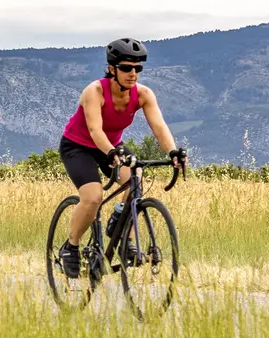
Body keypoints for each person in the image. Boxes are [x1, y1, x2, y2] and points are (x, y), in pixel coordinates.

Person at [55, 38, 186, 277]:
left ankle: (125, 233)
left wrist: (173, 152)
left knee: (135, 179)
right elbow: (95, 130)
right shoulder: (94, 91)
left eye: (138, 68)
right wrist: (111, 152)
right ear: (111, 69)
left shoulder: (144, 94)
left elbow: (159, 126)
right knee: (93, 197)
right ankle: (70, 247)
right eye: (126, 67)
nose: (133, 73)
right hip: (79, 146)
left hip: (112, 146)